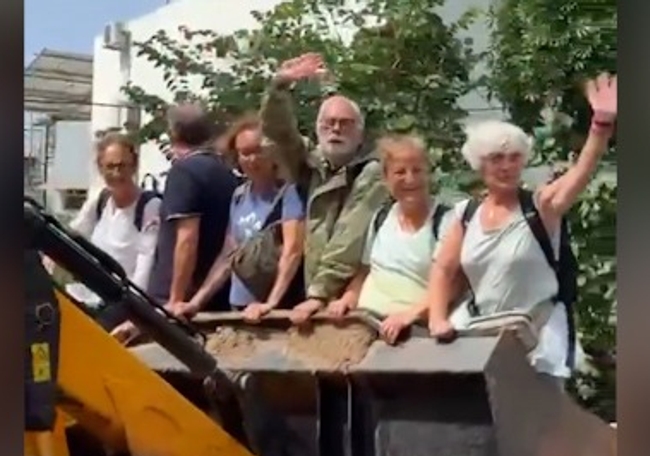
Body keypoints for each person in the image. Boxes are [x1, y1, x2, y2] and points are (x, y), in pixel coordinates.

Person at [426, 73, 618, 384]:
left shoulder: (541, 206)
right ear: (479, 164)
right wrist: (436, 319)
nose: (506, 166)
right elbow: (443, 271)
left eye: (514, 157)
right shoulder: (465, 214)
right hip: (482, 337)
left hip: (538, 342)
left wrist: (601, 127)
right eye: (496, 158)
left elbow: (580, 174)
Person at [259, 52, 390, 324]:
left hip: (353, 298)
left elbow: (349, 238)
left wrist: (319, 294)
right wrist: (279, 87)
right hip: (314, 298)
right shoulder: (311, 163)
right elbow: (278, 133)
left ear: (360, 132)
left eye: (345, 123)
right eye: (328, 123)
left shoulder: (373, 171)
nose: (336, 129)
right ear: (317, 129)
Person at [327, 135, 451, 344]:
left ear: (429, 174)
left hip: (413, 334)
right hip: (365, 324)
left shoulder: (447, 220)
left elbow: (453, 285)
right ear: (386, 178)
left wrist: (408, 316)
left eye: (417, 170)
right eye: (400, 172)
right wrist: (348, 299)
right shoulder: (381, 217)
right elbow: (366, 271)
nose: (410, 179)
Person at [181, 115, 307, 320]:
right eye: (245, 153)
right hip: (239, 305)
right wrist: (197, 302)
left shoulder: (289, 194)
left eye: (258, 151)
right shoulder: (240, 196)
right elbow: (229, 254)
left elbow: (293, 251)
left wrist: (271, 303)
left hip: (273, 310)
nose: (252, 159)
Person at [63, 131, 162, 339]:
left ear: (134, 166)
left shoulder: (149, 206)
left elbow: (145, 263)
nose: (116, 173)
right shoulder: (101, 199)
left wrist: (134, 316)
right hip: (91, 297)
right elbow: (71, 235)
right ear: (100, 167)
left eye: (122, 166)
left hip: (122, 304)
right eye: (110, 166)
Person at [152, 102, 241, 315]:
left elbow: (187, 239)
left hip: (181, 301)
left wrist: (175, 298)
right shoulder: (226, 173)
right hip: (215, 297)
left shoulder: (184, 173)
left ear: (174, 132)